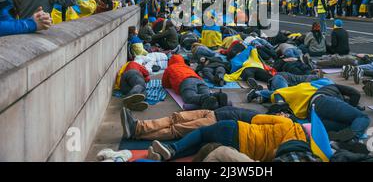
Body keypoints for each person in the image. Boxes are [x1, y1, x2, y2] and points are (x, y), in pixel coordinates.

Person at [147, 114, 308, 162]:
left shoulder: (288, 123)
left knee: (202, 133)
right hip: (241, 150)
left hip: (238, 130)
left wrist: (276, 117)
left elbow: (256, 119)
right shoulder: (295, 149)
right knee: (202, 145)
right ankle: (163, 156)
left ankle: (171, 148)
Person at [269, 78, 370, 142]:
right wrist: (351, 106)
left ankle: (337, 138)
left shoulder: (325, 88)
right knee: (362, 117)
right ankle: (353, 139)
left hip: (313, 115)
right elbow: (355, 93)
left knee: (351, 124)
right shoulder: (331, 86)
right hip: (322, 101)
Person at [120, 106, 260, 141]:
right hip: (213, 112)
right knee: (174, 118)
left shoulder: (267, 124)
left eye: (283, 115)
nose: (283, 115)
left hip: (217, 121)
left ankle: (136, 135)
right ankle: (138, 126)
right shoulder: (270, 117)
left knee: (176, 130)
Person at [162, 55, 227, 110]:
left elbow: (165, 84)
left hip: (186, 81)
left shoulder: (170, 68)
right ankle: (217, 95)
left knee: (189, 97)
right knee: (207, 95)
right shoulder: (187, 67)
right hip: (199, 80)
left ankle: (206, 98)